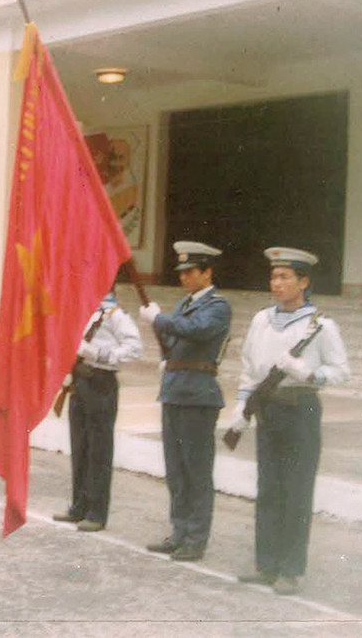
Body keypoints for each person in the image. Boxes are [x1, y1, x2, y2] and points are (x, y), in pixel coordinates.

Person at [228, 247, 349, 595]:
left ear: (304, 281)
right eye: (273, 276)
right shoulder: (262, 320)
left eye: (285, 277)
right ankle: (266, 565)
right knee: (269, 489)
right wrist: (241, 407)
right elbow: (251, 369)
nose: (276, 283)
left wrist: (310, 373)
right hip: (268, 408)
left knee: (296, 490)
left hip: (301, 408)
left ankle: (291, 569)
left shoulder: (321, 327)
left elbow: (342, 372)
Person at [139, 241, 232, 562]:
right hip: (175, 391)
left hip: (198, 395)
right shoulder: (182, 305)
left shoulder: (218, 306)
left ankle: (195, 537)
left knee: (196, 471)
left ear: (207, 273)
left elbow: (197, 330)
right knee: (176, 470)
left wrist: (159, 320)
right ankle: (179, 532)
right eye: (182, 271)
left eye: (191, 271)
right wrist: (163, 329)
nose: (184, 277)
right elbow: (174, 336)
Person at [53, 290, 142, 532]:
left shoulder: (116, 315)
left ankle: (97, 512)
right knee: (80, 446)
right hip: (80, 382)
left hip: (101, 382)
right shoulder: (85, 311)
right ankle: (79, 506)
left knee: (99, 450)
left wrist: (100, 354)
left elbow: (134, 347)